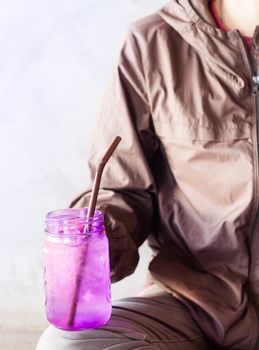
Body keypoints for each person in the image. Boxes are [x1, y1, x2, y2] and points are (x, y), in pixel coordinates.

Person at [36, 0, 259, 349]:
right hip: (194, 302)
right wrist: (102, 232)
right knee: (66, 343)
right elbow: (122, 189)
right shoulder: (153, 42)